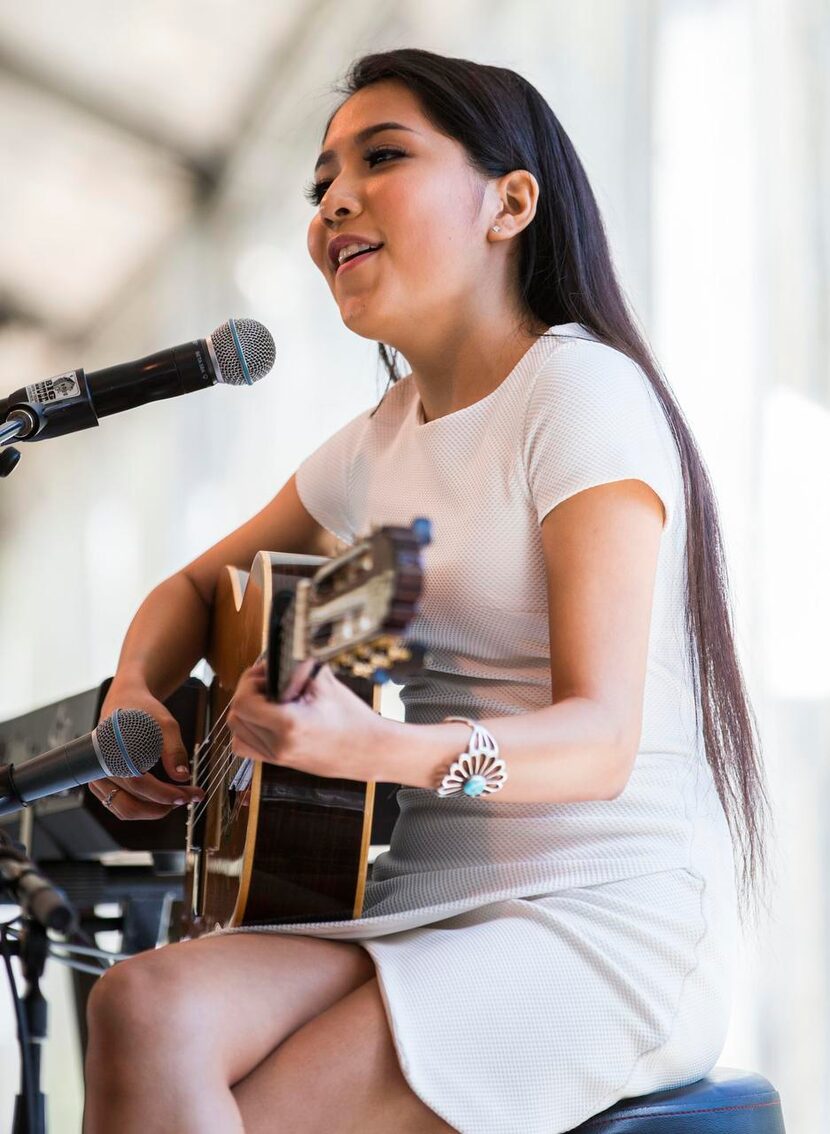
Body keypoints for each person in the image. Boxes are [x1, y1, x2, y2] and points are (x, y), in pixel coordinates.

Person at [82, 47, 773, 1134]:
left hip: (598, 915)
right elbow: (192, 584)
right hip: (421, 902)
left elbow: (598, 743)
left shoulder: (579, 391)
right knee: (144, 1003)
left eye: (381, 158)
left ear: (508, 204)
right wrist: (135, 689)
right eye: (320, 186)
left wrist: (371, 750)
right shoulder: (375, 441)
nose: (334, 202)